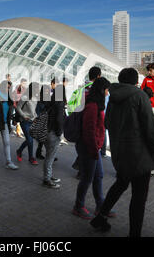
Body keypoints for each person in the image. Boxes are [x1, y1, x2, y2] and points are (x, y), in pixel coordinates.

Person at [90, 68, 154, 237]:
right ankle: (134, 234)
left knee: (120, 185)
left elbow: (107, 123)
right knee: (139, 197)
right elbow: (152, 133)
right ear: (136, 82)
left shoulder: (113, 97)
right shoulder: (140, 97)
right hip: (139, 158)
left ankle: (100, 217)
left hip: (120, 154)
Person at [72, 77, 111, 219]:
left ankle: (100, 206)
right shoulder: (93, 105)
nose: (108, 93)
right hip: (89, 147)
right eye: (107, 90)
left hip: (94, 147)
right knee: (87, 178)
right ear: (101, 90)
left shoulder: (94, 102)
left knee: (98, 176)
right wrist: (94, 150)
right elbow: (89, 130)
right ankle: (78, 206)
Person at [69, 66, 102, 178]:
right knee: (89, 145)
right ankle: (83, 170)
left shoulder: (81, 87)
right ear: (98, 76)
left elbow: (71, 105)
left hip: (78, 120)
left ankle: (81, 169)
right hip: (90, 119)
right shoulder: (97, 89)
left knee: (83, 144)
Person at [41, 83, 65, 189]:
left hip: (46, 130)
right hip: (53, 132)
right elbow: (59, 120)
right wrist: (60, 133)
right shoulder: (59, 103)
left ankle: (49, 176)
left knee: (48, 156)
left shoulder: (50, 101)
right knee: (50, 157)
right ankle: (47, 179)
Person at [15, 82, 40, 165]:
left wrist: (36, 117)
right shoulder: (25, 97)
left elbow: (34, 110)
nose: (38, 90)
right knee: (30, 139)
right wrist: (23, 115)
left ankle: (19, 151)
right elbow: (18, 107)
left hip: (32, 121)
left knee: (30, 139)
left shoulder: (36, 98)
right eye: (36, 88)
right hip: (24, 121)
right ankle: (31, 158)